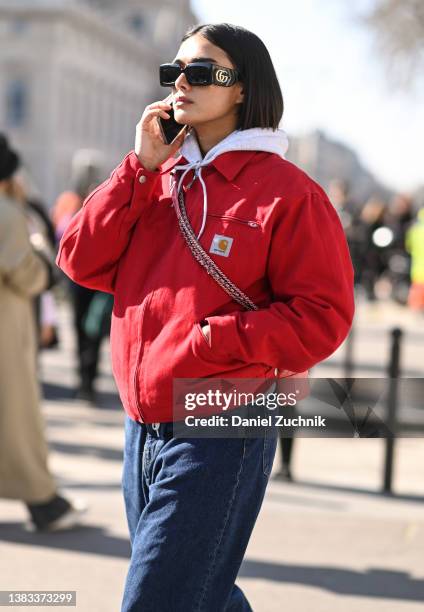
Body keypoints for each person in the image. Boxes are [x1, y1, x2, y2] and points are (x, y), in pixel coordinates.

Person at [57, 23, 355, 611]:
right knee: (202, 595)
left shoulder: (288, 193)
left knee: (160, 600)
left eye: (201, 71)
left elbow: (323, 315)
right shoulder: (156, 177)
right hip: (142, 423)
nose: (181, 84)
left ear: (241, 87)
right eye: (174, 73)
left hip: (225, 419)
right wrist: (139, 168)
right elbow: (80, 259)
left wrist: (211, 342)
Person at [0, 133, 86, 532]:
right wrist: (44, 269)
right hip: (6, 331)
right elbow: (24, 273)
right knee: (16, 415)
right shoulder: (7, 213)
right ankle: (42, 500)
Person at [52, 158, 113, 403]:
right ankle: (83, 380)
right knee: (80, 329)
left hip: (98, 279)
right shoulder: (69, 201)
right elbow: (60, 235)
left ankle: (89, 381)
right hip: (74, 279)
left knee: (93, 330)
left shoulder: (103, 196)